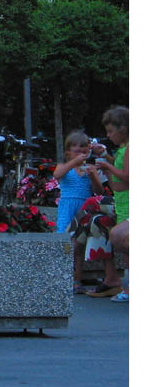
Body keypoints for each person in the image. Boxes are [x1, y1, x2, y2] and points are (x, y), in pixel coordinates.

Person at [52, 130, 112, 294]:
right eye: (77, 152)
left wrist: (93, 175)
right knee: (65, 242)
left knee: (79, 246)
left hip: (84, 208)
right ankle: (63, 277)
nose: (82, 155)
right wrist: (74, 162)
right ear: (68, 152)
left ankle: (77, 279)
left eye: (85, 152)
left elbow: (99, 190)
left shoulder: (90, 168)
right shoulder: (65, 166)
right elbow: (57, 174)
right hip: (68, 206)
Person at [97, 106, 129, 302]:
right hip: (123, 203)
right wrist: (107, 159)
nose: (109, 136)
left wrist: (107, 165)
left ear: (123, 129)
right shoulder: (123, 149)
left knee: (122, 240)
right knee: (126, 247)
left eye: (111, 131)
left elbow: (128, 176)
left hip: (130, 204)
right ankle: (128, 289)